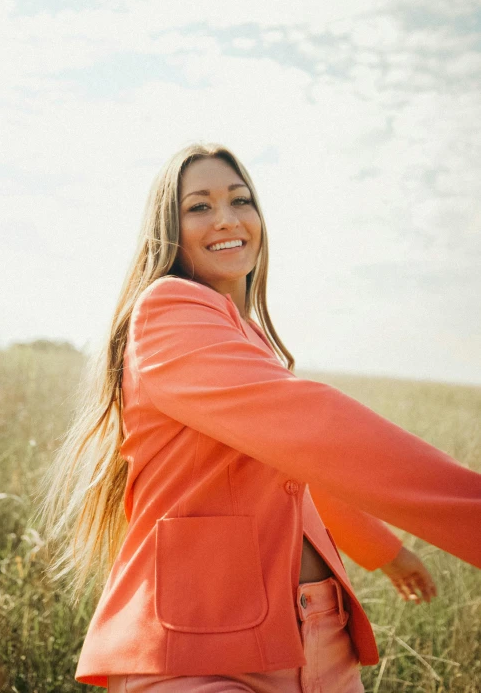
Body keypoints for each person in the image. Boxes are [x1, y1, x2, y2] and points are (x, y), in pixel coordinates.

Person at [42, 143, 480, 692]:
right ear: (168, 228)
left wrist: (383, 550)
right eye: (199, 206)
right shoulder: (166, 311)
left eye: (240, 200)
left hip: (321, 639)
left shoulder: (249, 339)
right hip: (197, 651)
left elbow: (298, 470)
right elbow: (315, 427)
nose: (226, 219)